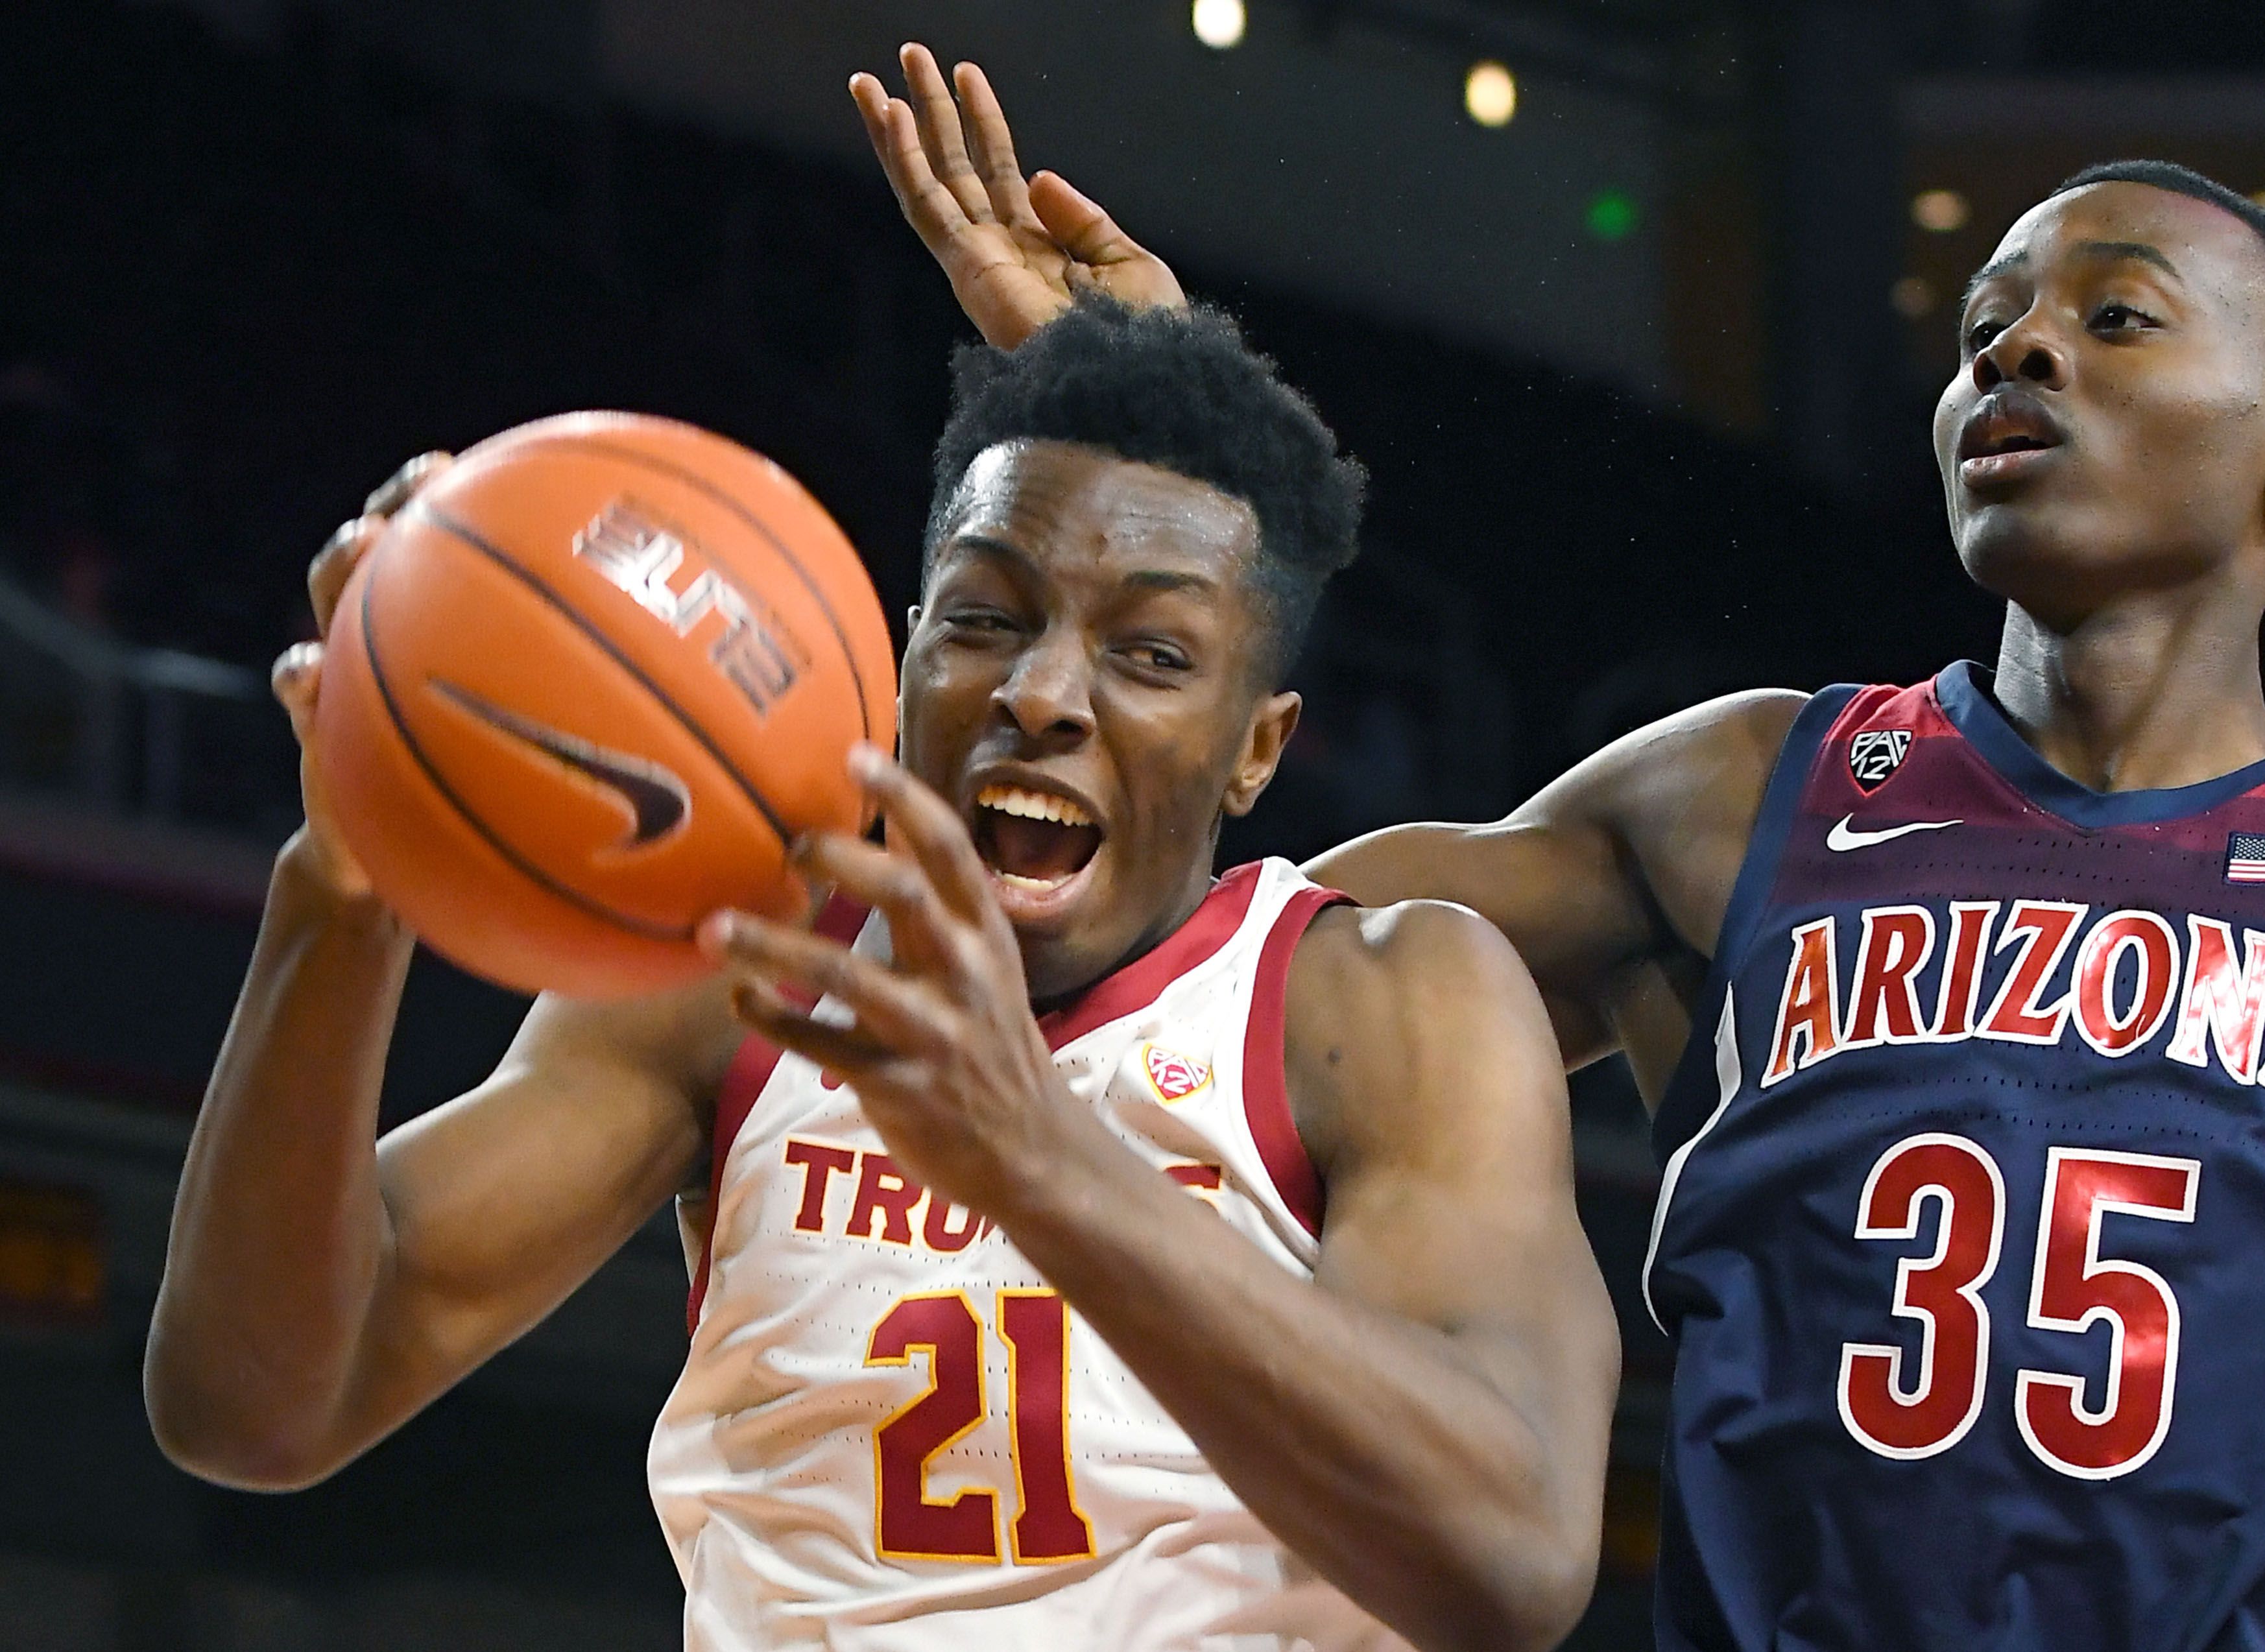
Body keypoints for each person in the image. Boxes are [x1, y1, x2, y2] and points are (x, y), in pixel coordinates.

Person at [856, 44, 2265, 1651]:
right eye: (1983, 327)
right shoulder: (1757, 788)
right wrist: (1176, 451)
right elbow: (1224, 954)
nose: (2020, 347)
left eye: (2116, 317)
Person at [143, 296, 1620, 1651]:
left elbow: (1508, 1554)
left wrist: (1035, 1150)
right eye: (983, 616)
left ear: (1258, 746)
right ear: (903, 650)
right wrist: (343, 894)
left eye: (1152, 655)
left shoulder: (1377, 1001)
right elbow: (258, 1405)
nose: (1040, 691)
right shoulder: (742, 962)